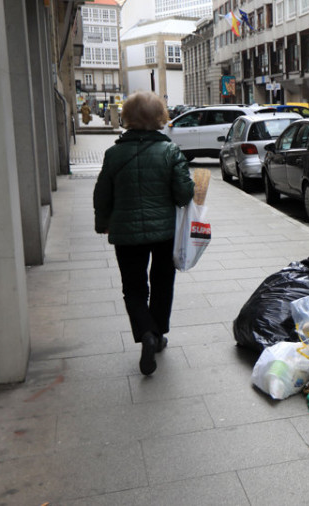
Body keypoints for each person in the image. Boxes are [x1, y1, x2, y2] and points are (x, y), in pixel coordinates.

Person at [93, 91, 194, 375]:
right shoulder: (170, 151)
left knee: (134, 288)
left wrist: (103, 222)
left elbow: (102, 194)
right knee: (162, 283)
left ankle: (146, 333)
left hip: (126, 235)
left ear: (127, 118)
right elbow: (184, 194)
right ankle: (158, 333)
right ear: (160, 119)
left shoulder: (114, 153)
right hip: (164, 233)